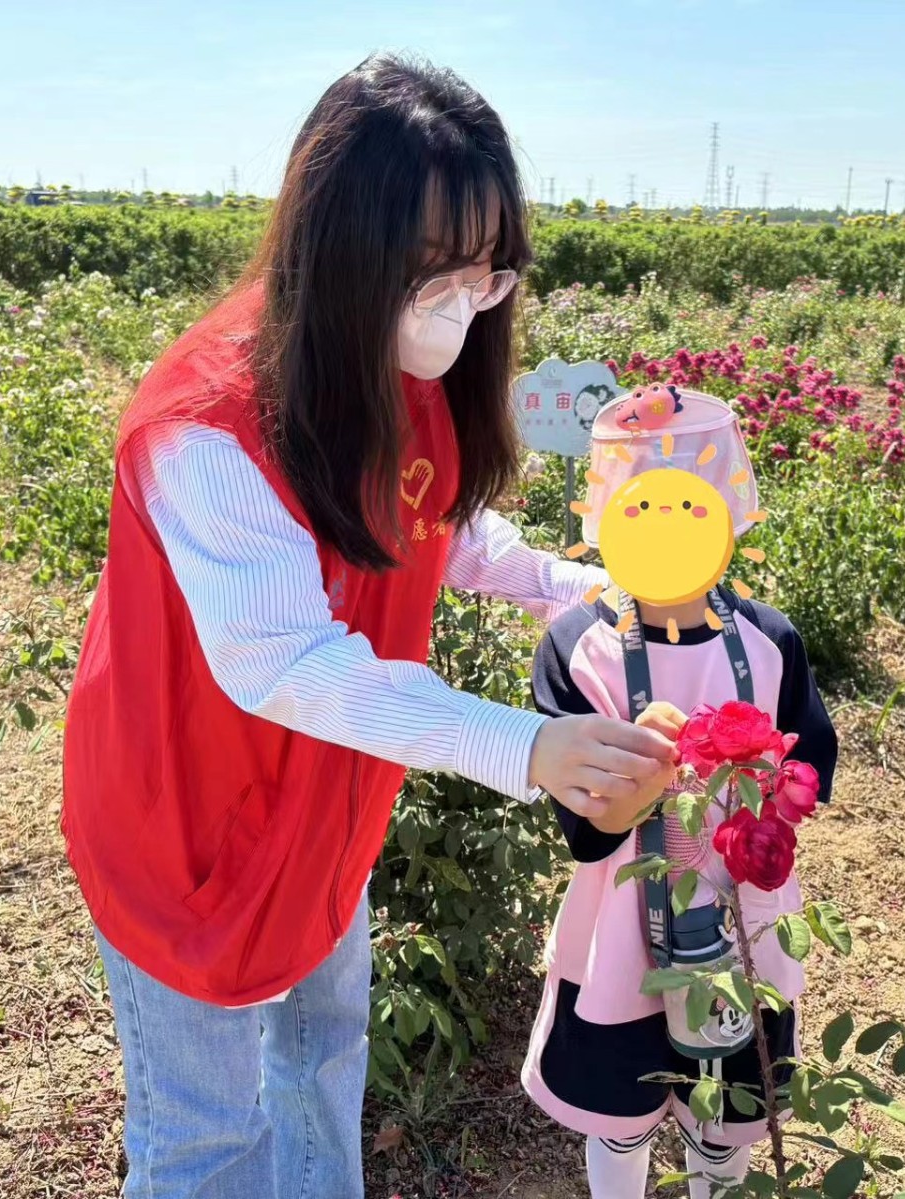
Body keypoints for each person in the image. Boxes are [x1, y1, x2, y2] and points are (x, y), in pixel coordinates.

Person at [60, 55, 676, 1199]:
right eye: (434, 267)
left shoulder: (405, 363)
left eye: (487, 271)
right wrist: (526, 744)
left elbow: (441, 523)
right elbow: (285, 661)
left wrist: (567, 582)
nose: (463, 301)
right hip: (186, 817)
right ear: (338, 241)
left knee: (323, 1048)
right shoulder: (205, 426)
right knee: (206, 1138)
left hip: (326, 797)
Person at [521, 389, 839, 1197]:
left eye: (690, 507)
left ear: (727, 514)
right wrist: (647, 766)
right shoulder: (576, 646)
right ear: (608, 518)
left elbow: (811, 770)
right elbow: (588, 831)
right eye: (644, 507)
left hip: (741, 916)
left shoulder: (770, 640)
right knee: (620, 1111)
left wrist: (753, 777)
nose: (667, 527)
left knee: (726, 1111)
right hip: (620, 923)